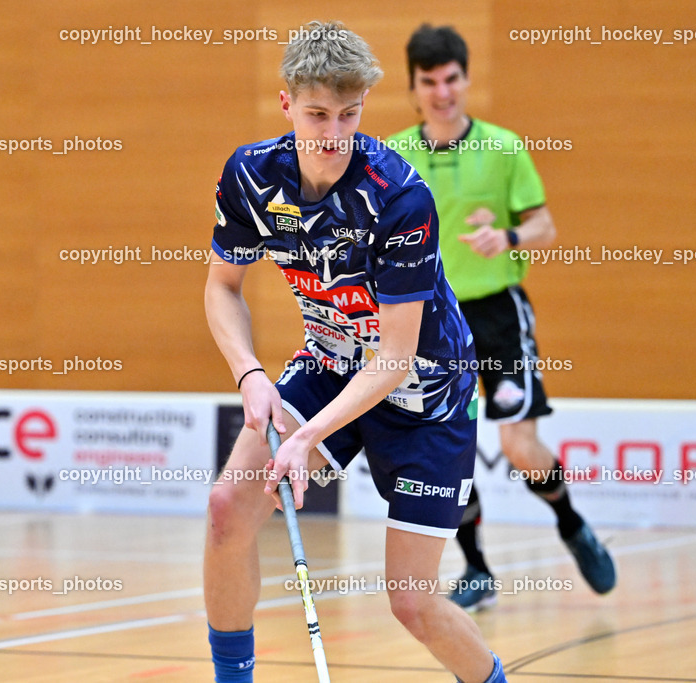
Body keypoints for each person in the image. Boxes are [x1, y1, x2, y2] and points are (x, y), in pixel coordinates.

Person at [204, 20, 507, 683]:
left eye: (350, 114)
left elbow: (395, 358)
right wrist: (251, 373)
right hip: (331, 360)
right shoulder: (252, 177)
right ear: (286, 104)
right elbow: (223, 287)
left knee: (413, 602)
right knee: (229, 508)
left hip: (427, 392)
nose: (334, 133)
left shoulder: (399, 198)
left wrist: (305, 435)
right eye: (317, 114)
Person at [387, 24, 616, 611]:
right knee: (447, 448)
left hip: (497, 314)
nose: (442, 92)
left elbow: (545, 226)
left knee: (518, 444)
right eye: (429, 82)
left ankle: (569, 522)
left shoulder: (505, 147)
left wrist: (508, 235)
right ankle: (478, 566)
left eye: (452, 79)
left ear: (466, 79)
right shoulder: (391, 157)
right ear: (414, 88)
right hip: (430, 320)